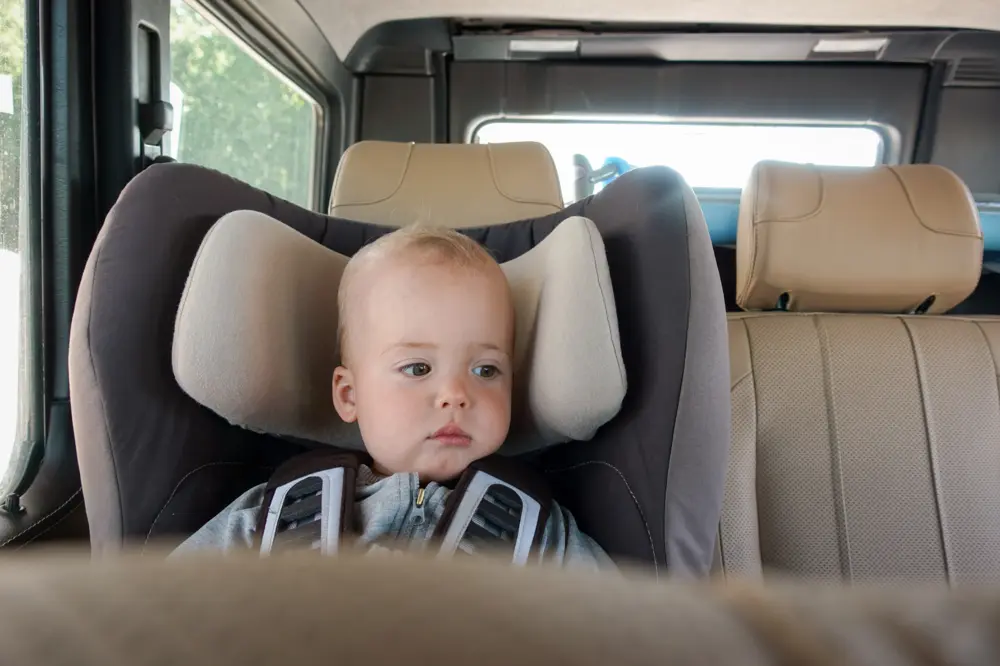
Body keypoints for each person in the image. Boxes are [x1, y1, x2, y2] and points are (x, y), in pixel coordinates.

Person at [173, 226, 614, 569]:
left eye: (486, 370)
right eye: (418, 368)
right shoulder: (275, 515)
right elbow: (163, 616)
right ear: (350, 395)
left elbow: (619, 634)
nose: (456, 395)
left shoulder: (537, 531)